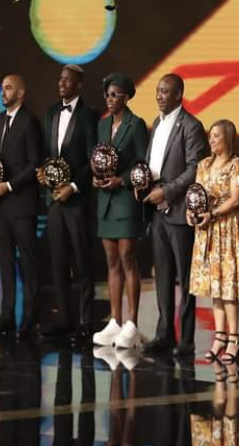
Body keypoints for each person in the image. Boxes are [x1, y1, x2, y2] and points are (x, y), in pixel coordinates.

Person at [141, 74, 209, 357]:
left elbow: (195, 168)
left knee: (185, 277)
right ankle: (164, 334)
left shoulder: (191, 126)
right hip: (157, 210)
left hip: (180, 211)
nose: (159, 96)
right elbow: (151, 163)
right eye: (158, 91)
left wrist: (167, 192)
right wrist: (144, 185)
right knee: (163, 275)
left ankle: (187, 340)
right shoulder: (156, 124)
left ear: (179, 94)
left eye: (165, 92)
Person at [37, 64, 99, 341]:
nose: (61, 83)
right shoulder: (51, 112)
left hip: (76, 200)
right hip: (53, 199)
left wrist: (73, 187)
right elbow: (48, 153)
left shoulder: (89, 115)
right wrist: (43, 173)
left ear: (79, 85)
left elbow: (92, 159)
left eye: (67, 80)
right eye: (60, 79)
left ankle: (86, 321)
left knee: (82, 260)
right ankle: (64, 318)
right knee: (58, 260)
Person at [91, 73, 149, 349]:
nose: (110, 99)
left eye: (115, 95)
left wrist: (122, 180)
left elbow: (142, 165)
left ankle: (131, 323)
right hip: (105, 201)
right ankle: (114, 321)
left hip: (126, 200)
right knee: (111, 261)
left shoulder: (136, 125)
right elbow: (98, 159)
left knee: (127, 258)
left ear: (126, 97)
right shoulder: (102, 125)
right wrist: (97, 177)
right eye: (107, 94)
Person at [0, 75, 42, 339]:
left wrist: (9, 185)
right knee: (5, 263)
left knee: (29, 263)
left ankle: (30, 318)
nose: (3, 92)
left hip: (22, 203)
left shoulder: (30, 122)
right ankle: (6, 316)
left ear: (20, 93)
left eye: (8, 88)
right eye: (2, 88)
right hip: (1, 205)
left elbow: (34, 164)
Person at [188, 120, 239, 364]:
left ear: (228, 138)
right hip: (207, 230)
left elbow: (235, 199)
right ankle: (219, 336)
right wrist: (191, 212)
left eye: (216, 136)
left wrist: (212, 214)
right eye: (210, 136)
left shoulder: (237, 165)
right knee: (215, 286)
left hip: (227, 229)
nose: (211, 140)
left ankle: (234, 338)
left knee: (228, 286)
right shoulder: (203, 164)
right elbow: (195, 195)